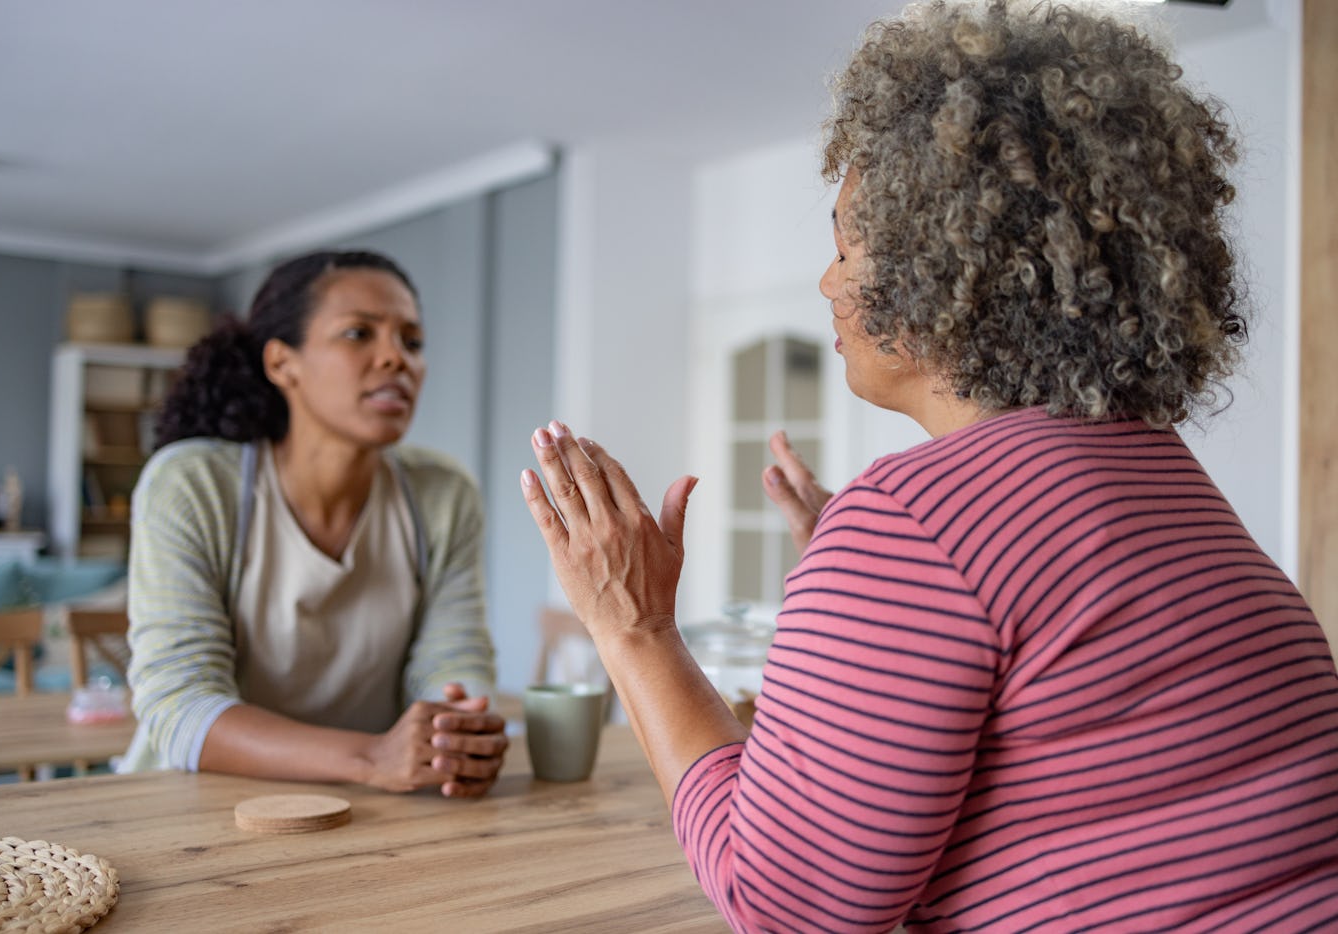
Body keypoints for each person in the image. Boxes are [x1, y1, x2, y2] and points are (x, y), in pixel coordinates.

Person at [520, 1, 1338, 930]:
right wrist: (875, 573)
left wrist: (634, 628)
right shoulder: (1157, 471)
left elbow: (788, 909)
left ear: (942, 264)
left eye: (845, 244)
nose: (826, 281)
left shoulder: (914, 520)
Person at [121, 249, 508, 798]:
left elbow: (453, 658)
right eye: (358, 334)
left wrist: (456, 731)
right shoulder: (191, 485)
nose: (395, 358)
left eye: (411, 341)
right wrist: (372, 756)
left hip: (369, 806)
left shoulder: (442, 494)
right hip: (191, 809)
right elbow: (181, 708)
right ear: (283, 364)